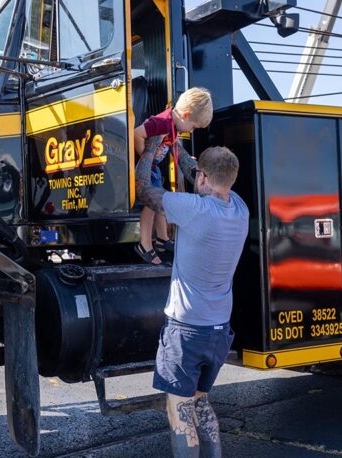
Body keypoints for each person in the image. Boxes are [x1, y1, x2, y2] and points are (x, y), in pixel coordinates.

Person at [136, 135, 249, 457]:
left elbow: (144, 190)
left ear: (202, 178)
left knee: (179, 410)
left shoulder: (194, 209)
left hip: (187, 331)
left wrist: (152, 147)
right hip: (217, 332)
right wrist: (176, 148)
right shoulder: (238, 207)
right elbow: (196, 171)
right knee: (200, 403)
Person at [133, 87, 214, 264]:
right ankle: (144, 244)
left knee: (163, 200)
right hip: (145, 169)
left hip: (153, 168)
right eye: (193, 127)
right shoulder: (161, 122)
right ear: (185, 115)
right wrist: (148, 158)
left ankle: (162, 239)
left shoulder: (173, 126)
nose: (191, 132)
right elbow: (136, 134)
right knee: (150, 204)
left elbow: (174, 146)